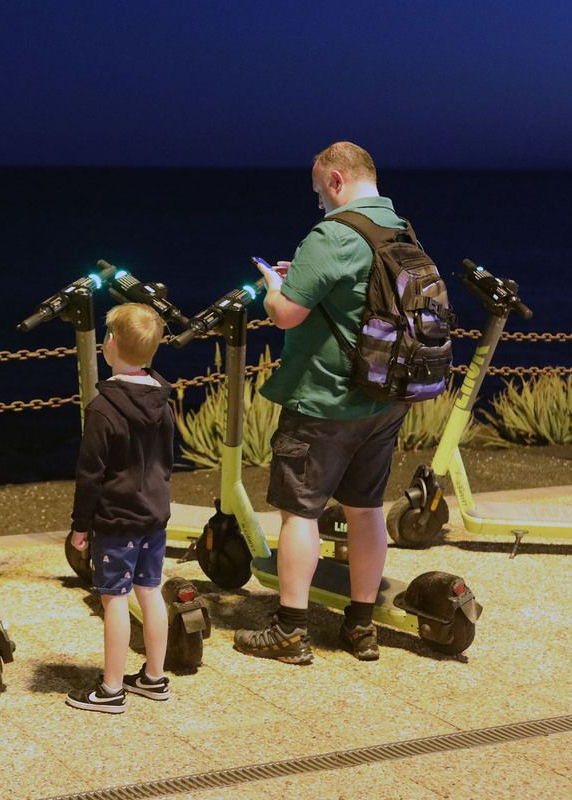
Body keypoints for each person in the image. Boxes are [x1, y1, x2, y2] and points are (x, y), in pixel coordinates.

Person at [234, 141, 410, 665]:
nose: (319, 202)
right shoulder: (400, 229)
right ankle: (360, 627)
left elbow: (287, 314)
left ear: (335, 180)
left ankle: (290, 630)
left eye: (319, 191)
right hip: (384, 397)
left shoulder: (331, 233)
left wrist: (273, 289)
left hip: (326, 398)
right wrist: (308, 277)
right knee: (365, 510)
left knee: (299, 513)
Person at [66, 303, 174, 713]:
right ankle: (154, 677)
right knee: (150, 591)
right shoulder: (164, 399)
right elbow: (166, 458)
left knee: (114, 598)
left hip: (116, 518)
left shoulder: (102, 410)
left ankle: (111, 689)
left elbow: (89, 475)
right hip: (155, 513)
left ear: (109, 344)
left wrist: (80, 527)